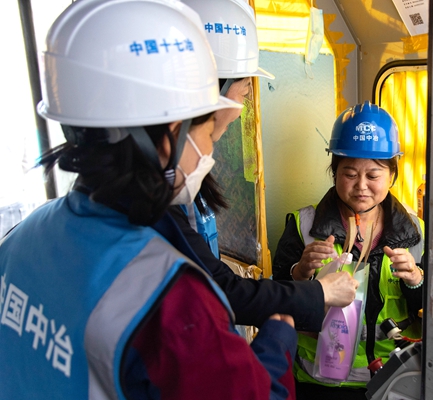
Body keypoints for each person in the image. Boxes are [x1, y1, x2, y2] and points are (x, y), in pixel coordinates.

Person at [0, 0, 297, 398]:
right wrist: (277, 344)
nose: (210, 149)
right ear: (173, 132)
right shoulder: (172, 303)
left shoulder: (21, 238)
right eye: (208, 131)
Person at [167, 0, 358, 331]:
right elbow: (220, 290)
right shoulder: (158, 205)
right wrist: (311, 300)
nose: (242, 108)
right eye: (244, 92)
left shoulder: (176, 186)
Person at [272, 101, 425, 400]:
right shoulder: (303, 225)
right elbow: (276, 302)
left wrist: (416, 281)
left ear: (392, 175)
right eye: (350, 174)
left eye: (373, 175)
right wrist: (300, 274)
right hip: (321, 384)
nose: (361, 186)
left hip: (397, 378)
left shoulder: (416, 231)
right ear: (334, 172)